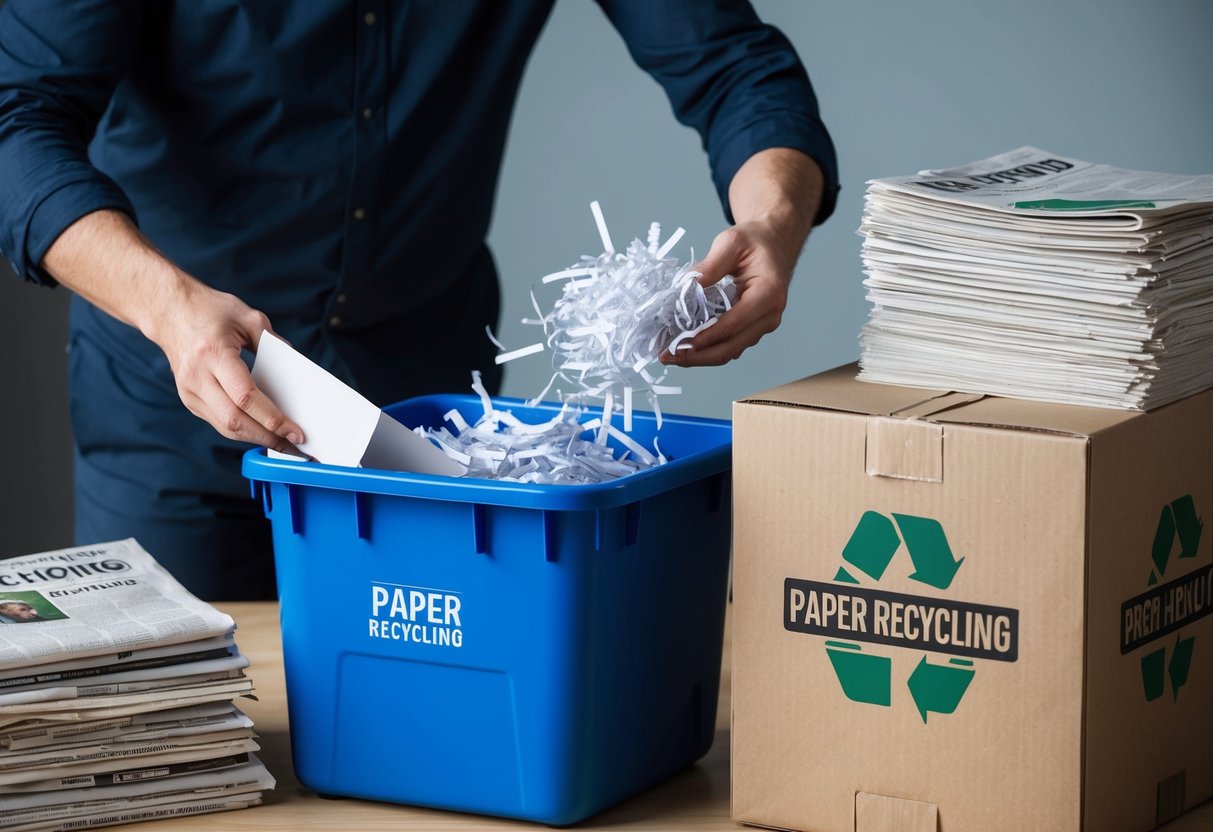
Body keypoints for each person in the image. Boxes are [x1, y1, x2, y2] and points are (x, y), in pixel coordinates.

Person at [0, 2, 838, 601]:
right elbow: (16, 117)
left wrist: (770, 221)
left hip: (428, 440)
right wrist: (169, 305)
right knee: (179, 753)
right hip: (171, 411)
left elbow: (732, 63)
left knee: (434, 738)